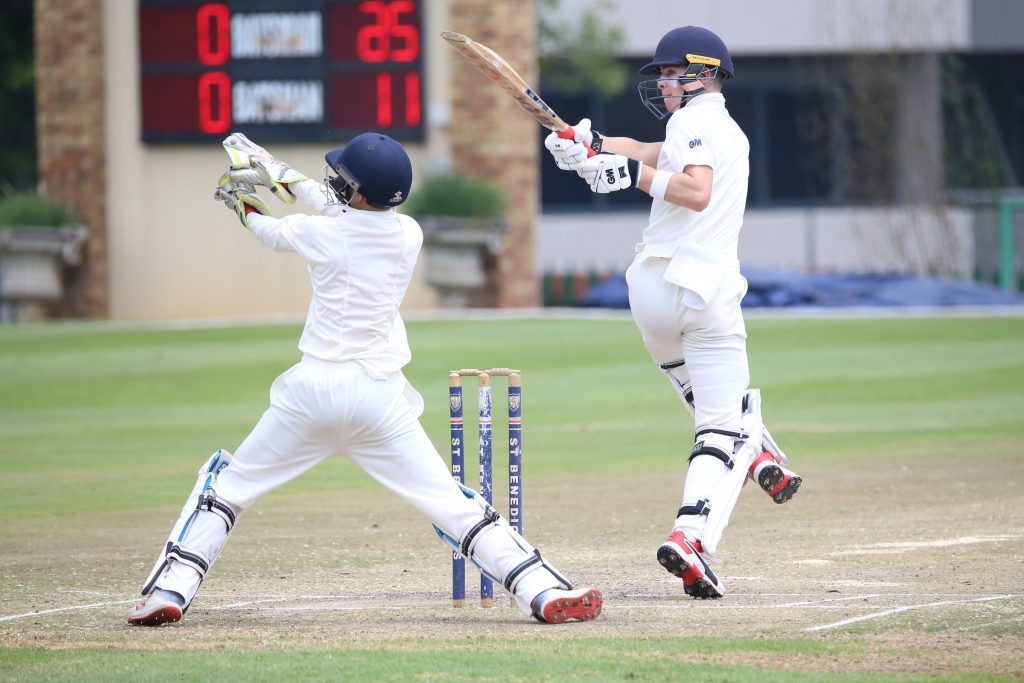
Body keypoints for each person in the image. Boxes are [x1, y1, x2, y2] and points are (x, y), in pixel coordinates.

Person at [128, 132, 602, 626]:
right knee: (450, 502)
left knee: (227, 489)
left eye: (341, 179)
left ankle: (170, 590)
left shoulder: (321, 234)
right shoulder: (408, 233)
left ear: (355, 192)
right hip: (379, 398)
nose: (331, 183)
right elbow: (333, 204)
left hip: (312, 394)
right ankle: (541, 589)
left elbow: (272, 231)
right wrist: (272, 167)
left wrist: (241, 198)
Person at [543, 26, 801, 599]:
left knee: (715, 408)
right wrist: (592, 144)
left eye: (669, 72)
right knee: (719, 424)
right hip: (701, 293)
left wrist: (626, 170)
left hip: (651, 294)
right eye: (659, 74)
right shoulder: (720, 127)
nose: (661, 82)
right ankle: (691, 538)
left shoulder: (693, 124)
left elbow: (684, 184)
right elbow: (677, 175)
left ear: (704, 73)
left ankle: (762, 460)